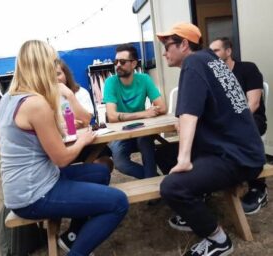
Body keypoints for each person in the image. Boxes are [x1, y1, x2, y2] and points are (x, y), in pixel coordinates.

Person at [0, 40, 129, 256]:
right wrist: (82, 140)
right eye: (51, 62)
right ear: (42, 66)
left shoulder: (8, 98)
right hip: (34, 195)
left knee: (101, 171)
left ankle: (74, 235)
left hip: (22, 188)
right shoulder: (36, 103)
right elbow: (62, 159)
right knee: (118, 202)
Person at [156, 22, 265, 256]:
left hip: (237, 157)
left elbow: (188, 114)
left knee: (172, 187)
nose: (164, 51)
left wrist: (184, 159)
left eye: (167, 45)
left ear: (184, 44)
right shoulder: (213, 62)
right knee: (164, 154)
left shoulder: (194, 63)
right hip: (243, 149)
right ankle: (195, 208)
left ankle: (218, 240)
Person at [209, 37, 268, 214]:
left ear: (228, 51)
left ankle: (258, 188)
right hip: (226, 122)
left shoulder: (248, 69)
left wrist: (230, 123)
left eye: (217, 51)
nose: (213, 56)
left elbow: (254, 104)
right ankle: (211, 183)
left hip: (252, 120)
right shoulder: (214, 76)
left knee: (234, 134)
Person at [103, 43, 167, 179]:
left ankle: (153, 188)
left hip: (142, 130)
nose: (117, 65)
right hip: (121, 132)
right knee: (120, 163)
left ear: (133, 64)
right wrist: (143, 114)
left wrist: (151, 112)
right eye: (116, 61)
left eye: (122, 62)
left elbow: (162, 107)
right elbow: (112, 116)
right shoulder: (110, 82)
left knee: (147, 145)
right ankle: (154, 179)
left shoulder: (144, 79)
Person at [55, 59, 114, 171]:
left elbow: (86, 120)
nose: (55, 79)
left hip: (86, 141)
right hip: (62, 145)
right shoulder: (45, 98)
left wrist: (69, 95)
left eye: (58, 74)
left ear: (66, 74)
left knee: (105, 163)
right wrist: (64, 125)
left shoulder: (81, 92)